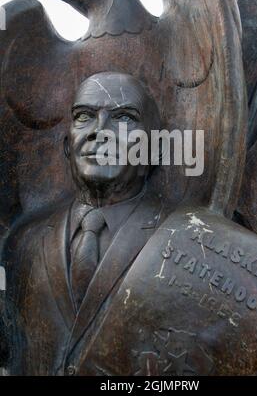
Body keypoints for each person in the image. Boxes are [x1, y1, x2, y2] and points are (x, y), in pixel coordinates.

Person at [2, 72, 165, 375]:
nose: (100, 131)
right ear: (67, 145)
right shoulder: (23, 241)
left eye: (124, 117)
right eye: (84, 116)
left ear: (153, 149)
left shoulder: (185, 242)